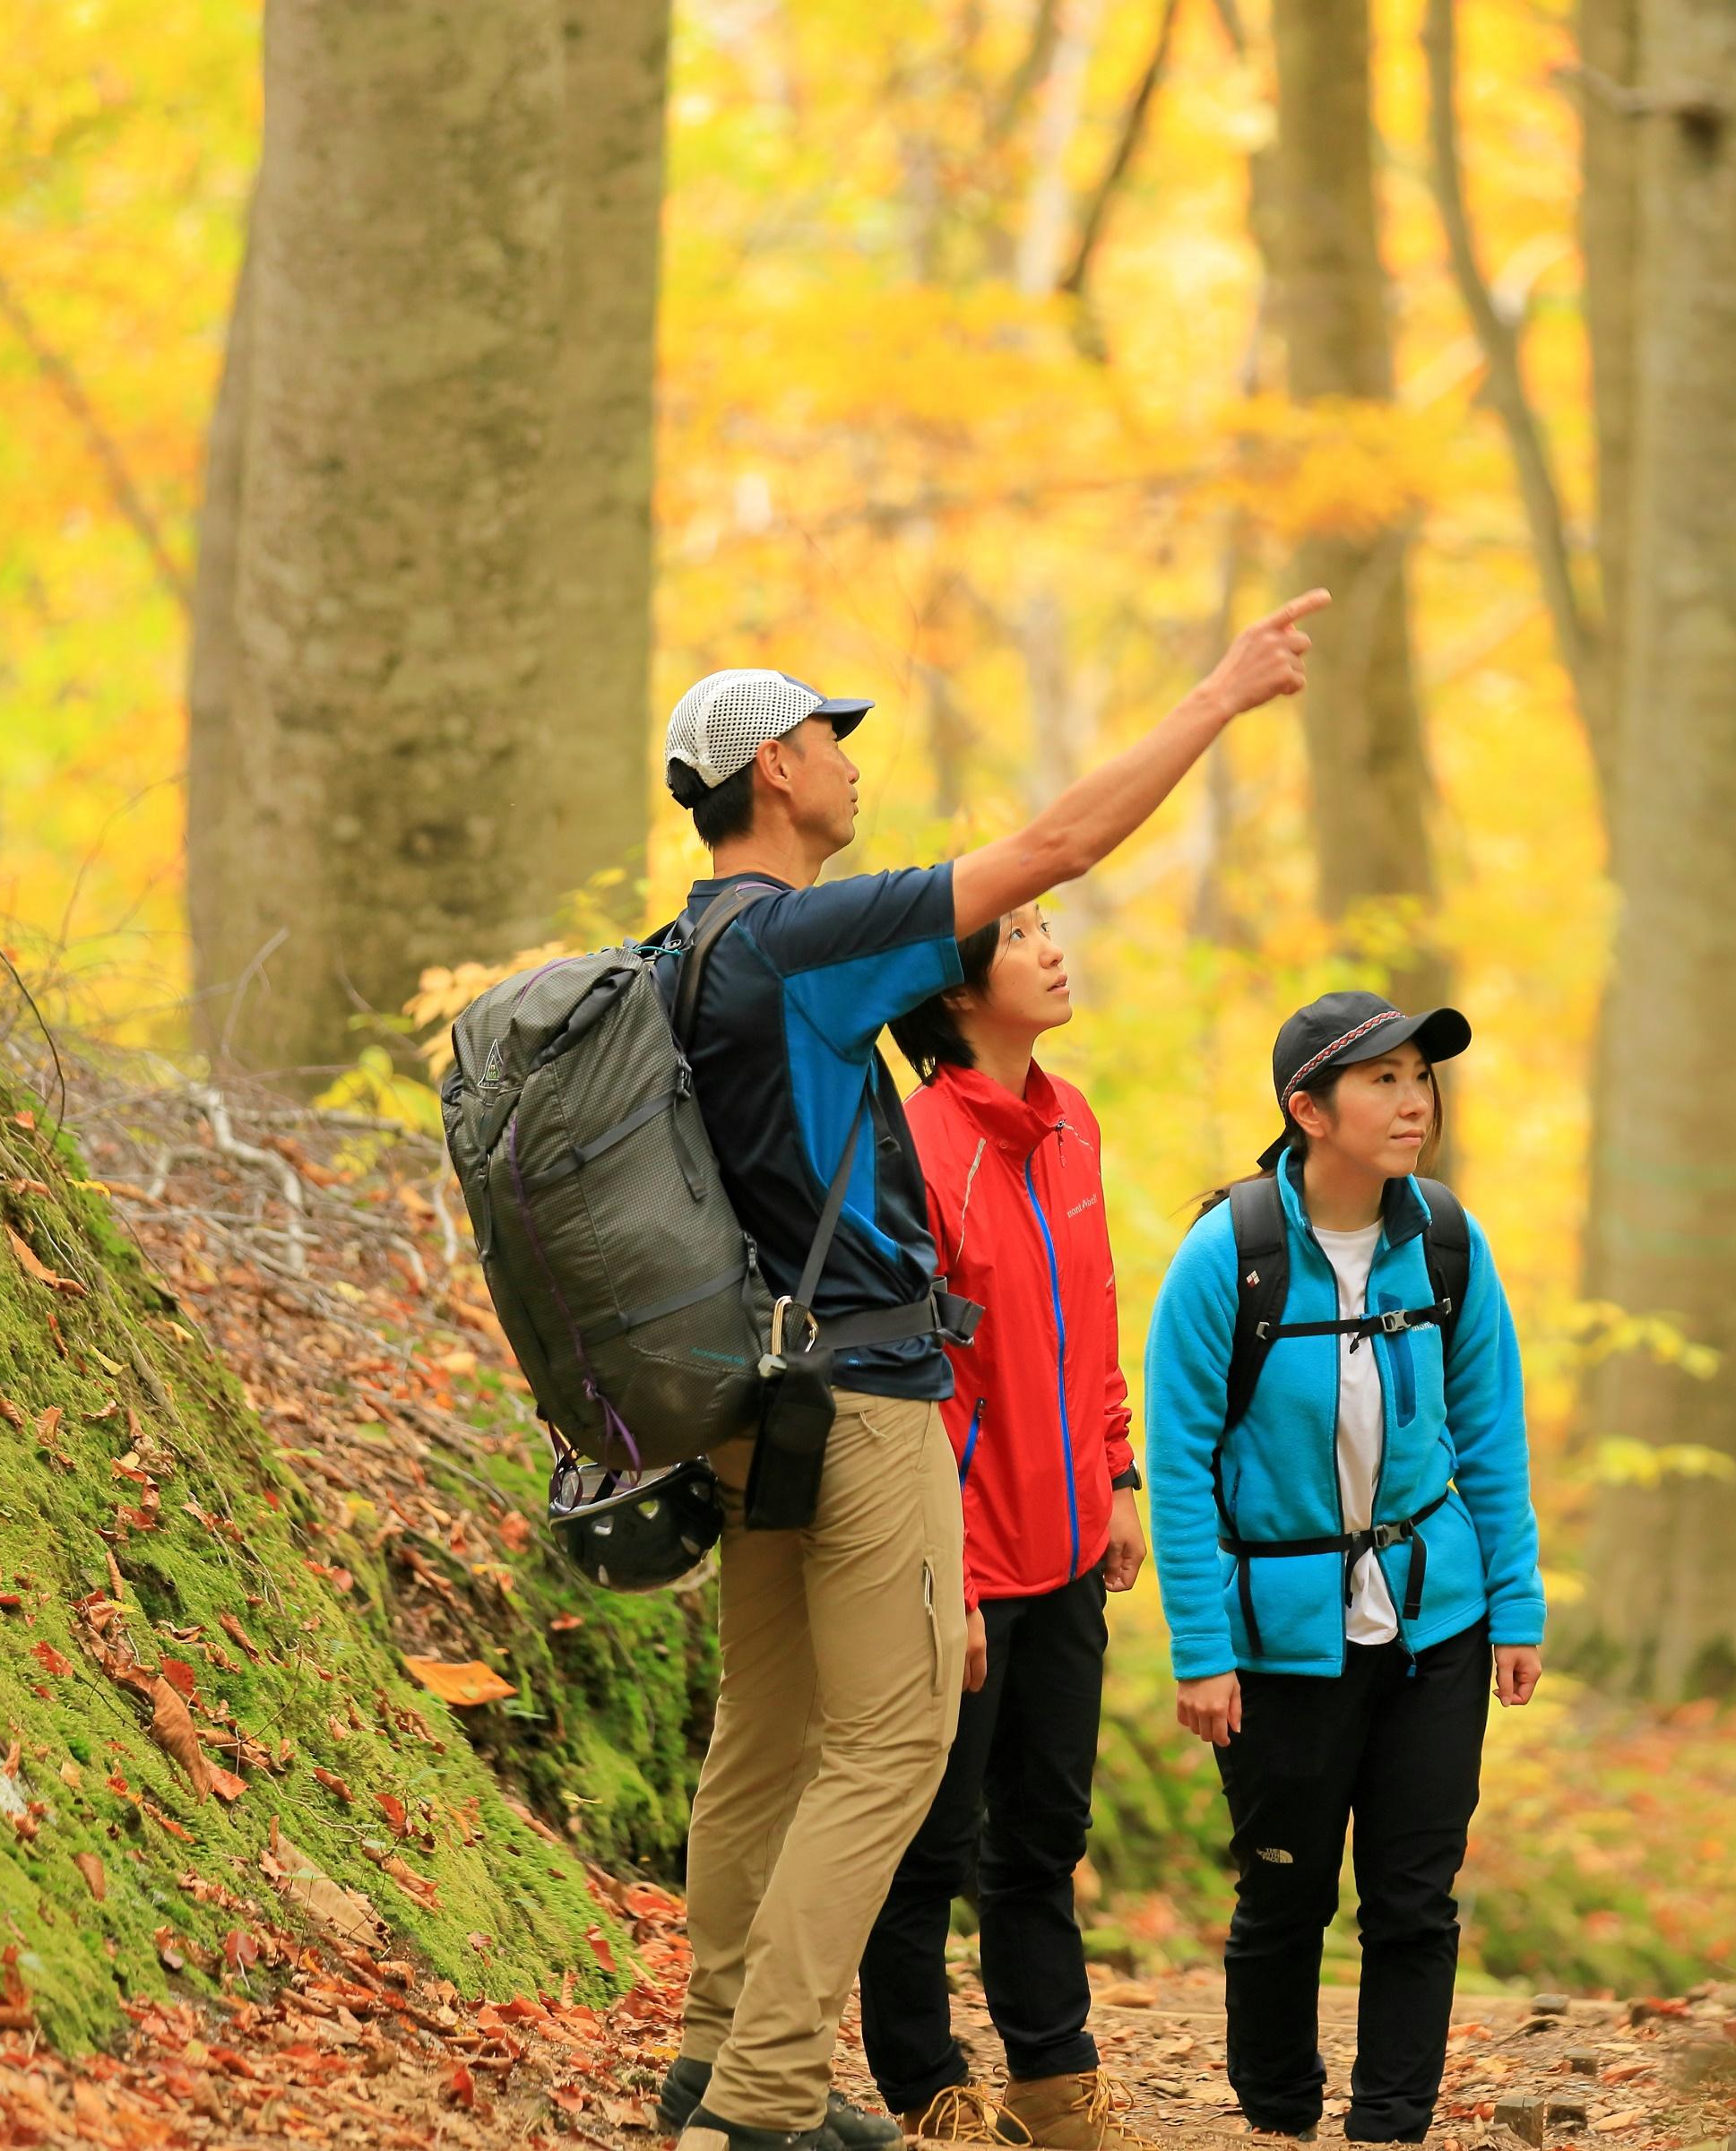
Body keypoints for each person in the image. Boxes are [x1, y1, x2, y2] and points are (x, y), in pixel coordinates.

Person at [654, 591, 1332, 2151]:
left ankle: (709, 2052)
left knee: (763, 1737)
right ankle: (755, 2102)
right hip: (869, 1400)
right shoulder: (802, 938)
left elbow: (980, 989)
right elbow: (1059, 847)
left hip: (751, 1401)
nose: (848, 762)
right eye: (829, 737)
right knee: (893, 1751)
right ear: (773, 768)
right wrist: (1216, 697)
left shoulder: (690, 958)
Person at [1140, 992, 1546, 2146]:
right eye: (1382, 1079)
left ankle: (1390, 2125)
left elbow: (1491, 1438)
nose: (1414, 1098)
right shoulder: (1233, 1256)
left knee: (1415, 1903)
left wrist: (1515, 1608)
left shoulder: (1450, 1243)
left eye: (1421, 1075)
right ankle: (1278, 2120)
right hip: (1281, 1634)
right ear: (1307, 1110)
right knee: (1285, 1895)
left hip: (1439, 1622)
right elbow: (1177, 1471)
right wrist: (1202, 1651)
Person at [852, 908, 1146, 2150]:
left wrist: (1119, 1473)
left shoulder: (1071, 1119)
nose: (1052, 946)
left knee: (1045, 1831)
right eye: (1021, 935)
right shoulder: (916, 1147)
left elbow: (1093, 1298)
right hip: (963, 1556)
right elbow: (917, 1378)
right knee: (931, 1839)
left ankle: (1053, 2072)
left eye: (1044, 927)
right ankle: (926, 2087)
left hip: (1071, 1542)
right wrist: (954, 1577)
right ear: (959, 993)